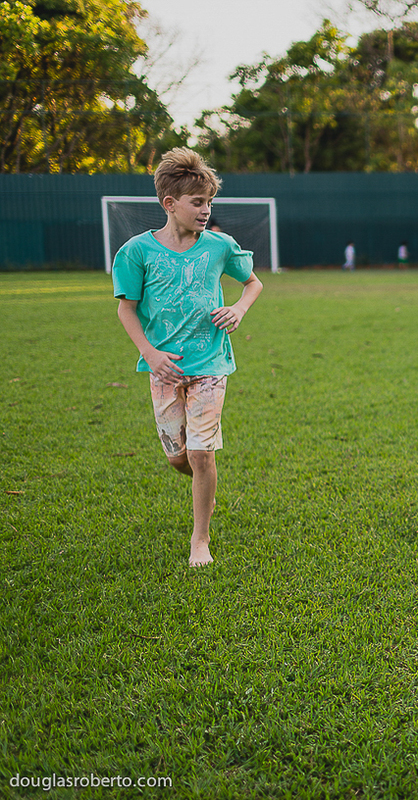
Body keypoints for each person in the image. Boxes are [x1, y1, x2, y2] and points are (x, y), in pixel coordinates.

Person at [112, 147, 264, 567]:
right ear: (170, 204)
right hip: (163, 368)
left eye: (209, 202)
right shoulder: (136, 253)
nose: (206, 210)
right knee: (178, 457)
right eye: (198, 202)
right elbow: (126, 308)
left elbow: (253, 284)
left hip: (210, 364)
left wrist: (237, 308)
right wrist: (149, 352)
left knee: (201, 454)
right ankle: (204, 480)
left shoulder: (219, 246)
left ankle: (201, 539)